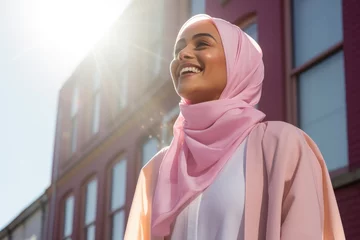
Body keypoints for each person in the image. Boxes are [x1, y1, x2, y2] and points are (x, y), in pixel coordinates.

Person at [124, 14, 345, 240]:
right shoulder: (158, 168)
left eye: (202, 44)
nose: (182, 54)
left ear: (237, 61)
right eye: (177, 50)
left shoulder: (281, 145)